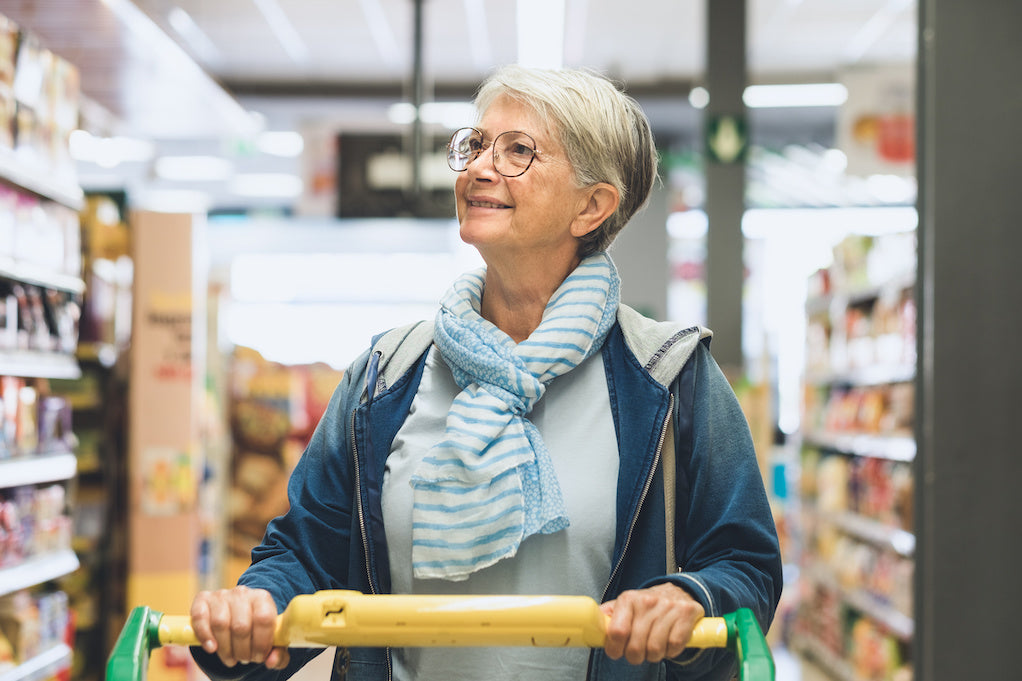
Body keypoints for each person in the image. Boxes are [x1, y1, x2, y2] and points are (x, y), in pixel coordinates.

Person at [189, 65, 782, 681]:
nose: (477, 168)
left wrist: (689, 598)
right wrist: (254, 608)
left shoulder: (667, 377)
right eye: (474, 145)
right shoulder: (385, 378)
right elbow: (304, 556)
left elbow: (745, 563)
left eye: (518, 150)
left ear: (592, 206)